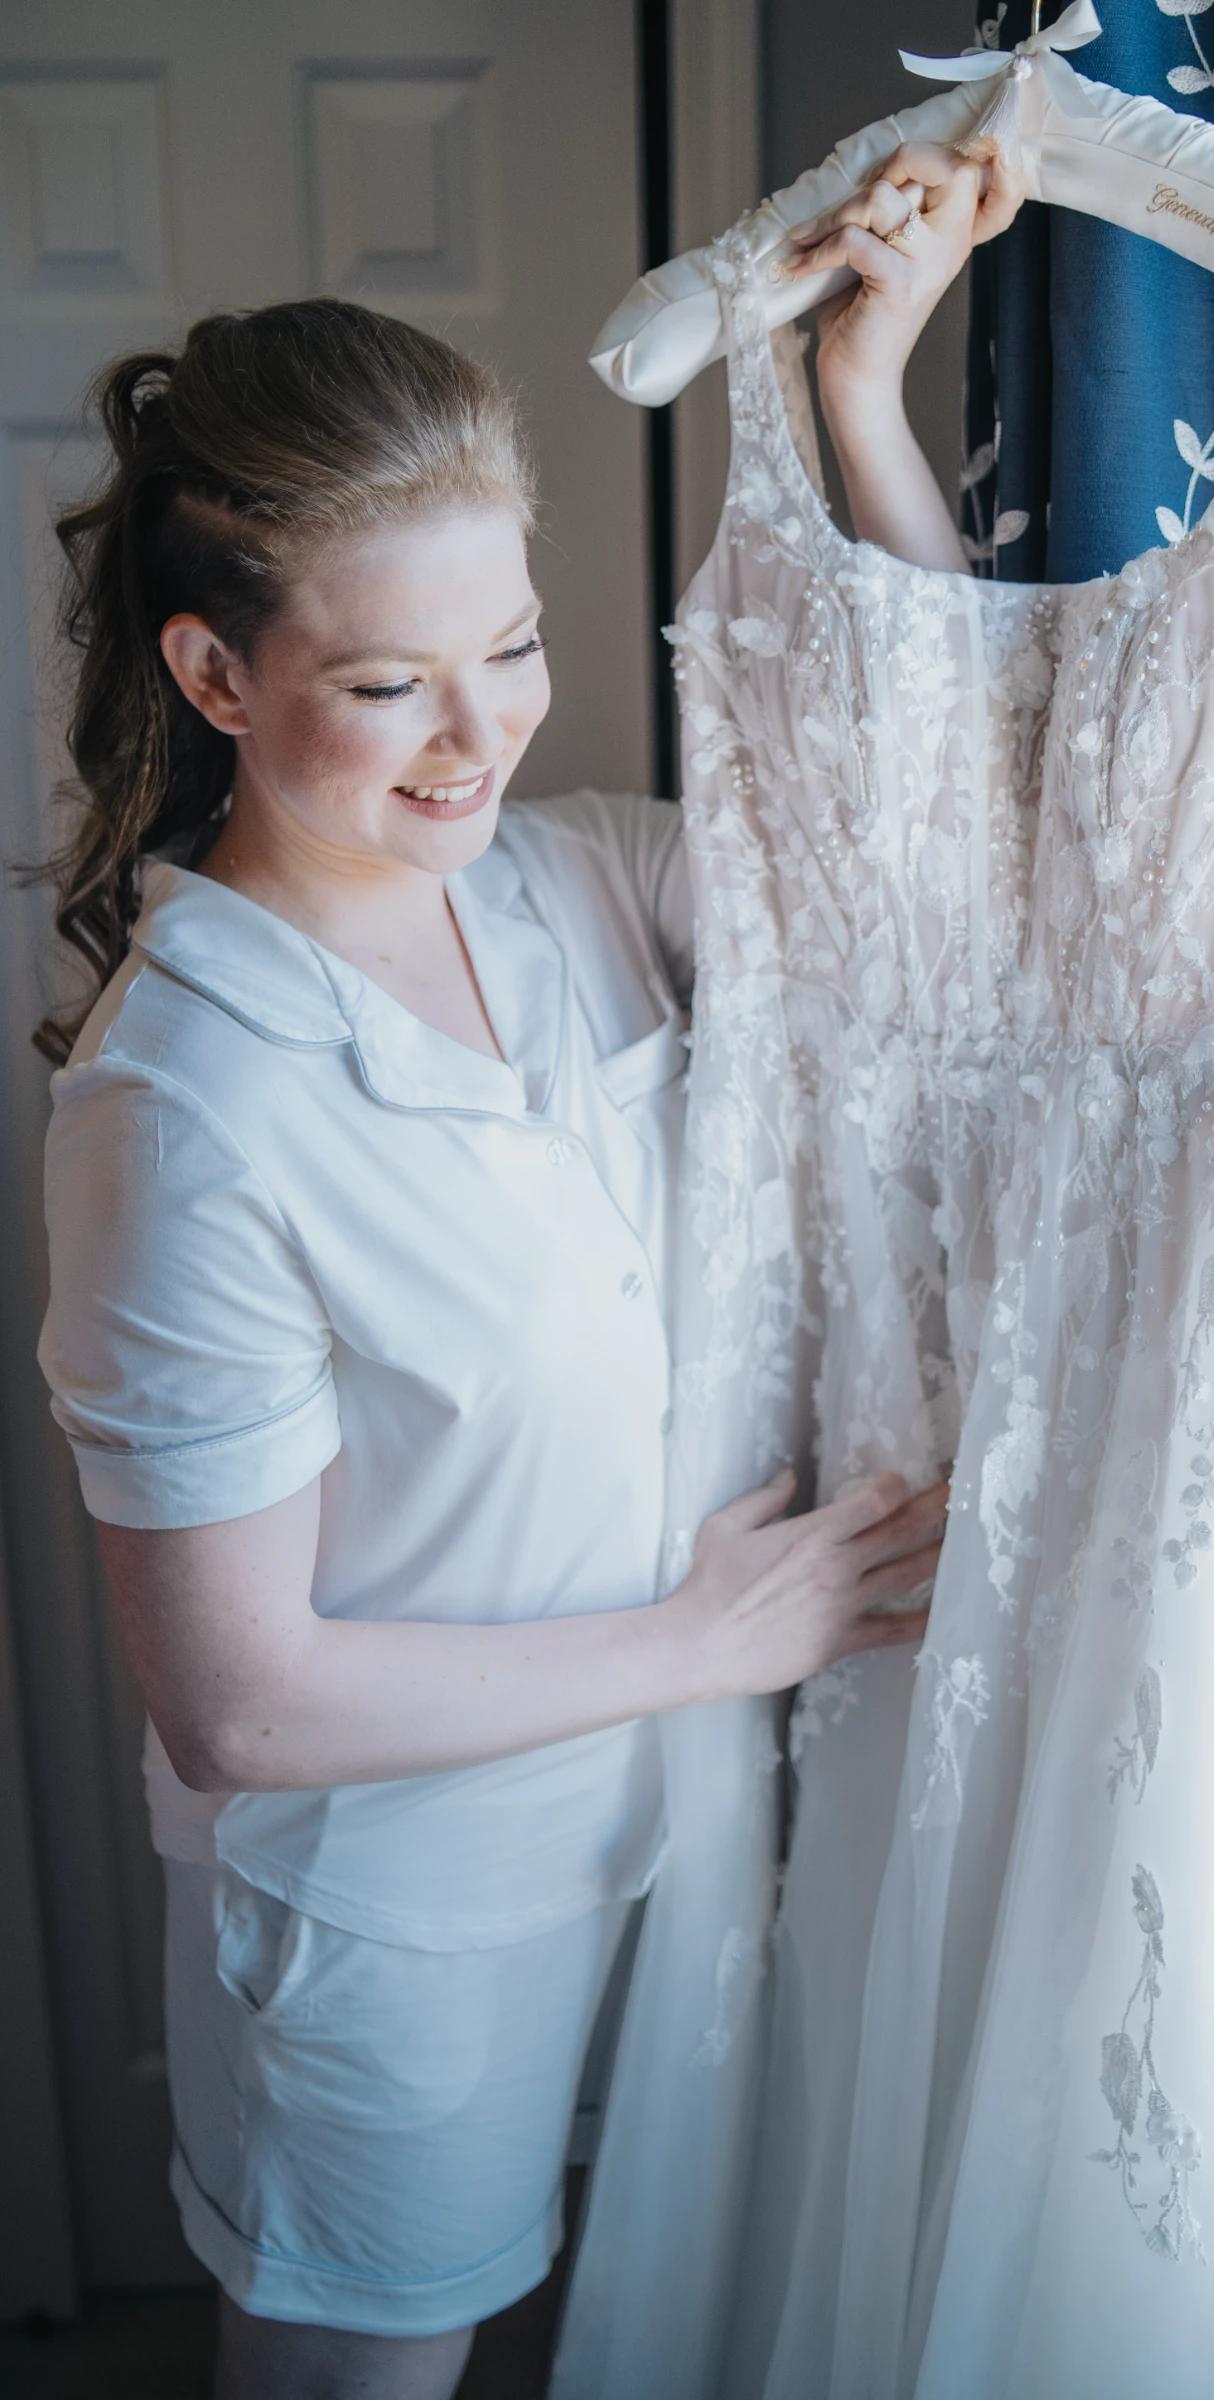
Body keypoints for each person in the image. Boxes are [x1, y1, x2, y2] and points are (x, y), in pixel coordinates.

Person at [30, 146, 1016, 2400]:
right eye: (390, 686)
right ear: (210, 669)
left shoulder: (578, 882)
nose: (484, 739)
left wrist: (858, 392)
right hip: (403, 1929)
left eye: (514, 650)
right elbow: (239, 1704)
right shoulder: (184, 1114)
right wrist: (710, 1632)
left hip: (671, 1854)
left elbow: (930, 840)